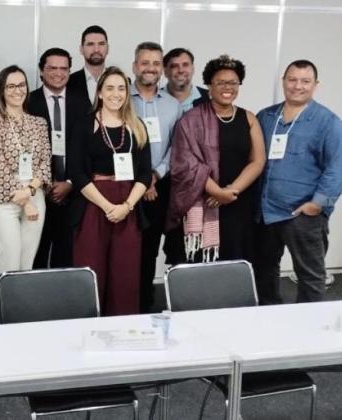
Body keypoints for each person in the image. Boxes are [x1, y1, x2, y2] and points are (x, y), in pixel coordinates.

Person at [255, 60, 342, 304]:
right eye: (292, 79)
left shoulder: (327, 121)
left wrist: (318, 204)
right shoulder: (266, 116)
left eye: (305, 81)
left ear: (316, 85)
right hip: (265, 213)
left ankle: (309, 331)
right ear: (283, 81)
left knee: (310, 276)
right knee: (264, 270)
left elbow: (337, 166)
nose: (297, 86)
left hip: (302, 214)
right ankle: (270, 318)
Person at [166, 55, 266, 264]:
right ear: (209, 85)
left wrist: (230, 191)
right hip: (201, 200)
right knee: (198, 268)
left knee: (235, 263)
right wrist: (217, 192)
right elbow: (184, 163)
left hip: (237, 203)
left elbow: (257, 161)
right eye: (220, 82)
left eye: (233, 82)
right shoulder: (190, 119)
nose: (227, 87)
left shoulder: (249, 118)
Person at [69, 66, 151, 316]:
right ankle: (88, 328)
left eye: (122, 88)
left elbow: (145, 174)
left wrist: (126, 207)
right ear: (100, 93)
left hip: (128, 206)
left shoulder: (137, 126)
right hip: (94, 205)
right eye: (110, 88)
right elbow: (77, 173)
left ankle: (123, 329)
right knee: (91, 270)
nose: (116, 94)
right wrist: (107, 207)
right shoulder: (85, 125)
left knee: (125, 274)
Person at [129, 42, 183, 313]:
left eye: (155, 63)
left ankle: (144, 304)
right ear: (134, 66)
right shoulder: (120, 97)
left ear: (161, 69)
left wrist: (155, 175)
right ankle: (121, 302)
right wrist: (141, 180)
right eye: (144, 62)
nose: (149, 68)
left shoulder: (173, 105)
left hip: (158, 188)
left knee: (150, 249)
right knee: (127, 250)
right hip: (125, 187)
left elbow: (176, 146)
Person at [0, 65, 51, 278]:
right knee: (9, 261)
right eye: (10, 86)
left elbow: (45, 163)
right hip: (6, 199)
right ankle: (4, 312)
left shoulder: (39, 124)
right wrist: (26, 201)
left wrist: (31, 190)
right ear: (2, 90)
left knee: (27, 262)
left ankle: (23, 311)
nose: (17, 90)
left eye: (21, 85)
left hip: (34, 192)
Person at [28, 47, 79, 268]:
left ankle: (62, 302)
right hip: (37, 193)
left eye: (64, 68)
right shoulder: (27, 103)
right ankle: (35, 302)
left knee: (66, 257)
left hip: (73, 193)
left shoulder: (83, 104)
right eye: (52, 68)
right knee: (35, 254)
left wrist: (69, 183)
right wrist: (44, 183)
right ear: (41, 71)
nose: (58, 73)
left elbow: (86, 150)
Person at [67, 25, 109, 111]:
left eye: (101, 44)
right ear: (81, 49)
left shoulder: (122, 81)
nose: (96, 50)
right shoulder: (68, 82)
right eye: (90, 44)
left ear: (108, 48)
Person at [162, 47, 209, 111]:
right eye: (174, 66)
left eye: (185, 65)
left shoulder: (211, 99)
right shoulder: (153, 99)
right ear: (165, 71)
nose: (181, 70)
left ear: (193, 69)